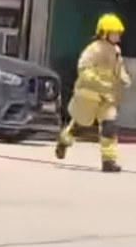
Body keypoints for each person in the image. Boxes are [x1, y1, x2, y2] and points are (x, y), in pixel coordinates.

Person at [55, 13, 130, 173]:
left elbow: (119, 69)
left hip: (107, 96)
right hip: (89, 94)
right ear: (104, 32)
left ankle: (108, 161)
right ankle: (64, 140)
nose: (118, 36)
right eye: (114, 32)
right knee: (80, 123)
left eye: (118, 32)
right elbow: (84, 68)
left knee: (110, 126)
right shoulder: (93, 49)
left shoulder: (116, 51)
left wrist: (124, 77)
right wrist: (97, 82)